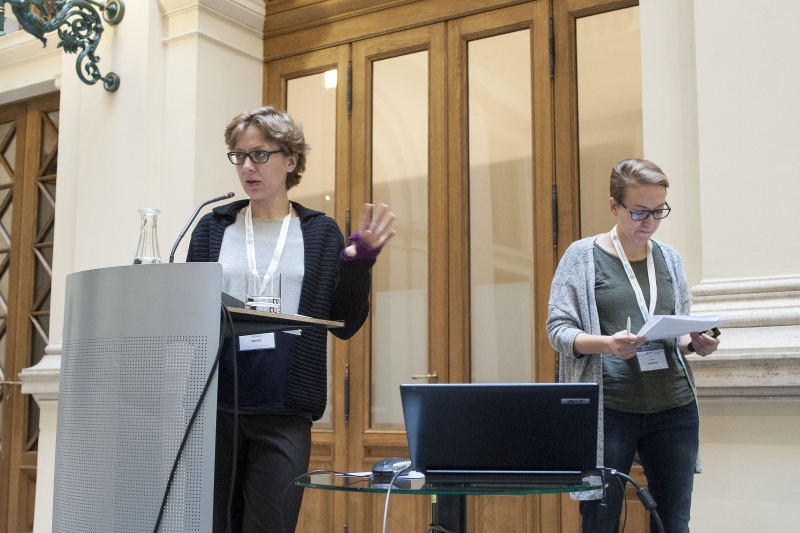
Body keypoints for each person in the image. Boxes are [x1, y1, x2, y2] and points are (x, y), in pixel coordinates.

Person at [187, 105, 396, 533]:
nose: (248, 166)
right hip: (217, 403)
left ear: (291, 160)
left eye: (260, 154)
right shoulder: (213, 227)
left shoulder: (319, 232)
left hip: (285, 408)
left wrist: (360, 264)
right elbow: (189, 312)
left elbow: (346, 322)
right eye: (239, 156)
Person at [546, 158, 720, 533]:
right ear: (614, 206)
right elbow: (558, 330)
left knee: (673, 521)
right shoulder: (582, 256)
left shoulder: (669, 258)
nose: (650, 222)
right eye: (640, 211)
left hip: (674, 406)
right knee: (601, 518)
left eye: (659, 211)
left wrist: (695, 343)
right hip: (611, 410)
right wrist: (607, 344)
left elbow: (678, 333)